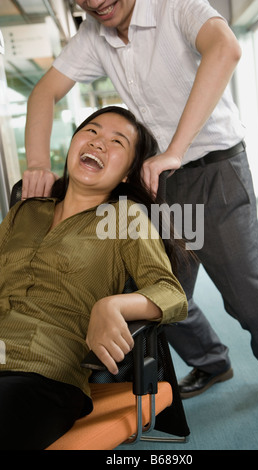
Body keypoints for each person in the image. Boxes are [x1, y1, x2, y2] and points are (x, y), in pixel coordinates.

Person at [22, 0, 258, 413]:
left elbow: (226, 48)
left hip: (215, 171)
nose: (94, 2)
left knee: (244, 292)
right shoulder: (93, 34)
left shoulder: (177, 6)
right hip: (163, 181)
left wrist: (175, 149)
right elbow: (44, 92)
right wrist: (38, 166)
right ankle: (211, 360)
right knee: (161, 291)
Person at [0, 106, 188, 450]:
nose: (99, 144)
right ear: (72, 144)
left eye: (117, 142)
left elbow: (172, 294)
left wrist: (113, 305)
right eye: (92, 131)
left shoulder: (124, 218)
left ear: (127, 176)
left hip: (41, 372)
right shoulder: (25, 211)